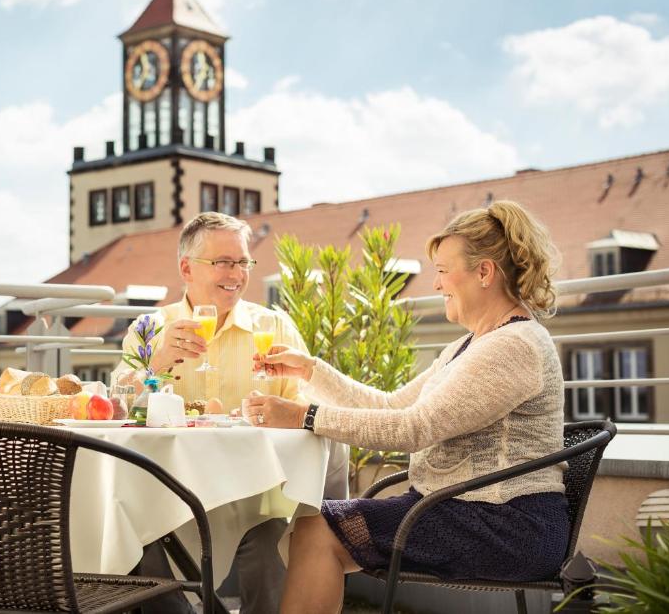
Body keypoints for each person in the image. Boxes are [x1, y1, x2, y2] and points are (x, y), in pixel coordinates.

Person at [242, 201, 568, 614]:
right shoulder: (471, 345)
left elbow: (414, 428)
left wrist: (304, 416)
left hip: (506, 523)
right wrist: (310, 371)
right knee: (314, 526)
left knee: (318, 529)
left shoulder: (513, 346)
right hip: (464, 508)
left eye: (443, 270)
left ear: (484, 272)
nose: (436, 283)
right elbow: (393, 405)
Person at [113, 211, 348, 614]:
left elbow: (309, 408)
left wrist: (284, 411)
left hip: (258, 492)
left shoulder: (273, 326)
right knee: (143, 538)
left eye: (242, 262)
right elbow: (117, 405)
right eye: (222, 262)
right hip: (174, 492)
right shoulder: (151, 328)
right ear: (187, 268)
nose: (236, 274)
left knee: (272, 538)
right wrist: (157, 363)